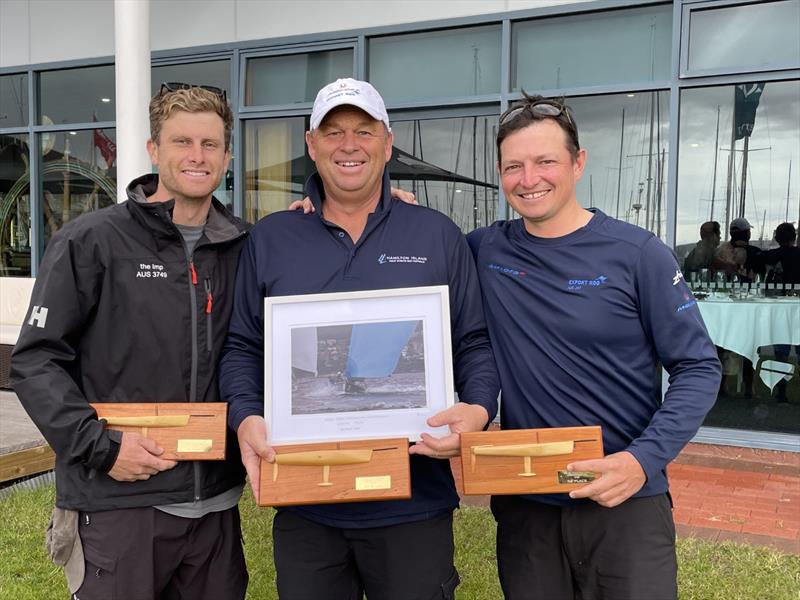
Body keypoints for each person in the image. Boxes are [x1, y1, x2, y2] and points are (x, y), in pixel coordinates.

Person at [219, 78, 499, 600]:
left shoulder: (436, 234)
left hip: (414, 500)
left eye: (364, 131)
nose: (349, 145)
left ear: (387, 143)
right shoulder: (272, 238)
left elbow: (475, 342)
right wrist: (245, 414)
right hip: (307, 501)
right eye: (334, 132)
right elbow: (242, 348)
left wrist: (479, 408)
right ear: (312, 144)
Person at [465, 95, 721, 599]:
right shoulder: (483, 249)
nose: (529, 178)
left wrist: (642, 460)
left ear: (578, 163)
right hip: (528, 501)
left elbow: (698, 368)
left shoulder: (637, 253)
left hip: (624, 497)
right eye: (514, 166)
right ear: (500, 172)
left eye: (545, 162)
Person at [10, 84, 249, 599]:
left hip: (216, 505)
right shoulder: (91, 241)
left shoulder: (243, 247)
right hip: (119, 500)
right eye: (181, 141)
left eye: (210, 144)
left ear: (227, 156)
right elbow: (34, 361)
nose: (196, 156)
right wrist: (103, 449)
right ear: (153, 150)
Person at [712, 217, 763, 282]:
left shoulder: (719, 252)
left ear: (731, 233)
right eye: (749, 231)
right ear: (747, 234)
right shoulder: (757, 253)